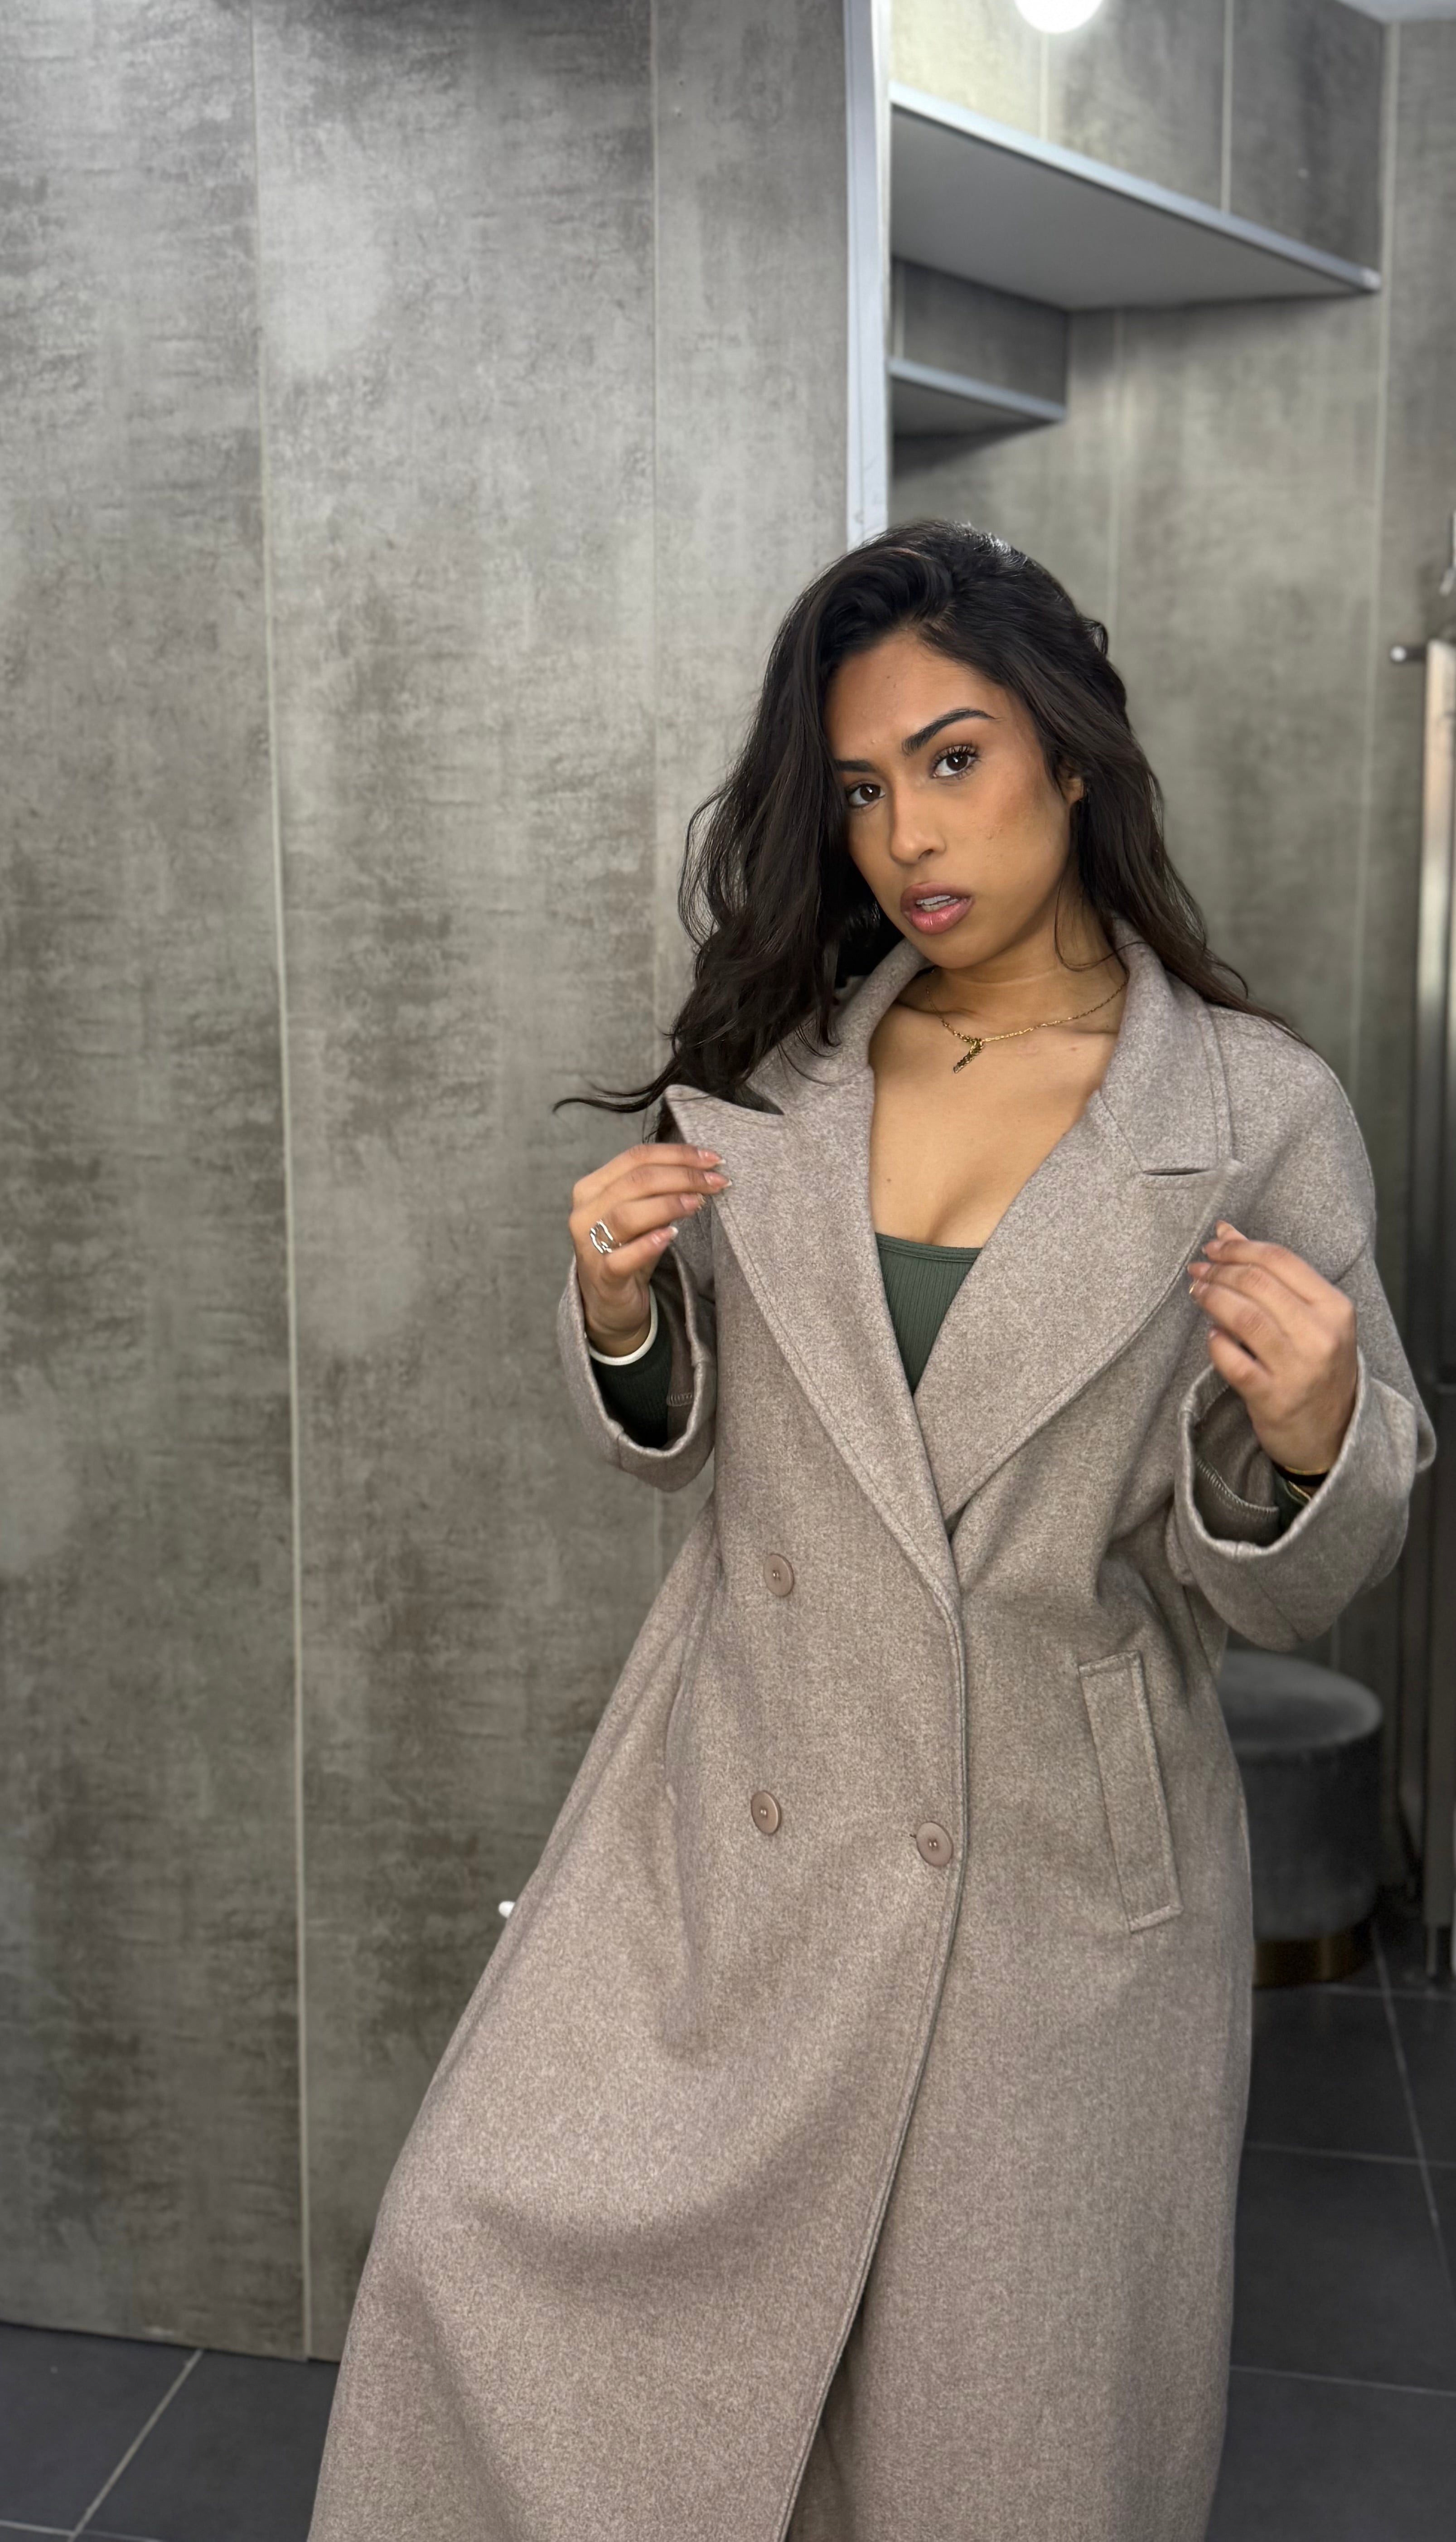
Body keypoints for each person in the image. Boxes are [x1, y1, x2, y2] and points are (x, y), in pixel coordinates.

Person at [306, 521, 1433, 2542]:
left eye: (953, 759)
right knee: (479, 2269)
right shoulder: (775, 1081)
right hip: (743, 1812)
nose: (906, 832)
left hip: (1048, 1878)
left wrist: (1310, 1434)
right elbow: (690, 1457)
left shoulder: (1251, 1113)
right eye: (856, 788)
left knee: (978, 2458)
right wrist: (620, 1317)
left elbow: (1294, 1570)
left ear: (1070, 757)